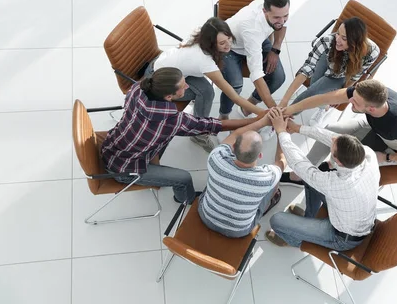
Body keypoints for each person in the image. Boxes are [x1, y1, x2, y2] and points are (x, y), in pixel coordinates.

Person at [101, 67, 261, 204]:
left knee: (168, 135)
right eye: (183, 86)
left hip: (112, 144)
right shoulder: (171, 120)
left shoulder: (138, 88)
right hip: (124, 169)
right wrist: (258, 119)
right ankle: (186, 199)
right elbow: (215, 125)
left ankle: (156, 170)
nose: (187, 86)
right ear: (169, 97)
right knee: (183, 179)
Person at [264, 111, 379, 251]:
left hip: (342, 237)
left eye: (333, 146)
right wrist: (297, 128)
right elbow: (334, 138)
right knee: (314, 179)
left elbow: (299, 164)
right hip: (349, 215)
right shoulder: (368, 155)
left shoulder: (336, 183)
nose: (332, 140)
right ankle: (309, 218)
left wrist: (282, 132)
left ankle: (297, 240)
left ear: (338, 162)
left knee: (277, 220)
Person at [145, 17, 263, 152]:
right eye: (222, 43)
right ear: (211, 44)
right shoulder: (204, 61)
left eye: (229, 38)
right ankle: (198, 134)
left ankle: (199, 120)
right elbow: (234, 96)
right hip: (160, 81)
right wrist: (262, 113)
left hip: (168, 67)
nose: (228, 45)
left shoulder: (202, 32)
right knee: (206, 93)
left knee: (206, 91)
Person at [281, 79, 397, 187]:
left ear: (371, 109)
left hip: (395, 146)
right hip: (375, 126)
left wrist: (386, 157)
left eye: (355, 101)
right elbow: (325, 98)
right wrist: (289, 110)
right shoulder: (371, 92)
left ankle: (330, 168)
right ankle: (300, 175)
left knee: (346, 160)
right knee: (331, 130)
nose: (350, 99)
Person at [198, 111, 287, 238]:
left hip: (206, 217)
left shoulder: (216, 157)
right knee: (273, 187)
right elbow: (281, 161)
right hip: (238, 232)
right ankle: (270, 202)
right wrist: (281, 132)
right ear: (260, 155)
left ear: (233, 147)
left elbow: (235, 134)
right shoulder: (266, 178)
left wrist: (262, 122)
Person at [279, 17, 379, 127]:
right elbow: (307, 68)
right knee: (315, 88)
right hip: (329, 58)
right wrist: (284, 99)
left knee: (311, 93)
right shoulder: (327, 41)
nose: (338, 39)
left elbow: (355, 76)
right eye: (338, 34)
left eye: (344, 38)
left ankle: (282, 117)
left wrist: (340, 93)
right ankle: (322, 105)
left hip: (340, 75)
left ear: (356, 43)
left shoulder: (372, 52)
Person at [219, 0, 289, 124]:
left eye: (285, 15)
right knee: (235, 85)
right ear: (264, 11)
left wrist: (276, 49)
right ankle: (223, 116)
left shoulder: (280, 9)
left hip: (260, 40)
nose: (281, 21)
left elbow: (283, 25)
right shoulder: (252, 29)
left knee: (278, 77)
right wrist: (275, 111)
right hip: (230, 47)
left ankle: (247, 107)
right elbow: (256, 75)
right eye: (276, 18)